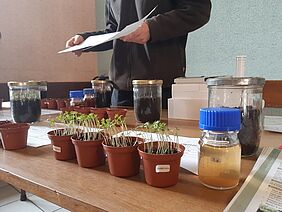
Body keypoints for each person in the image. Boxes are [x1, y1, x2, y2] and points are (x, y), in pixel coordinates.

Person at [66, 0, 212, 108]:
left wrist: (152, 27)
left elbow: (198, 10)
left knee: (158, 145)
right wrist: (86, 40)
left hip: (159, 87)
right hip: (120, 89)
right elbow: (114, 32)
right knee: (118, 144)